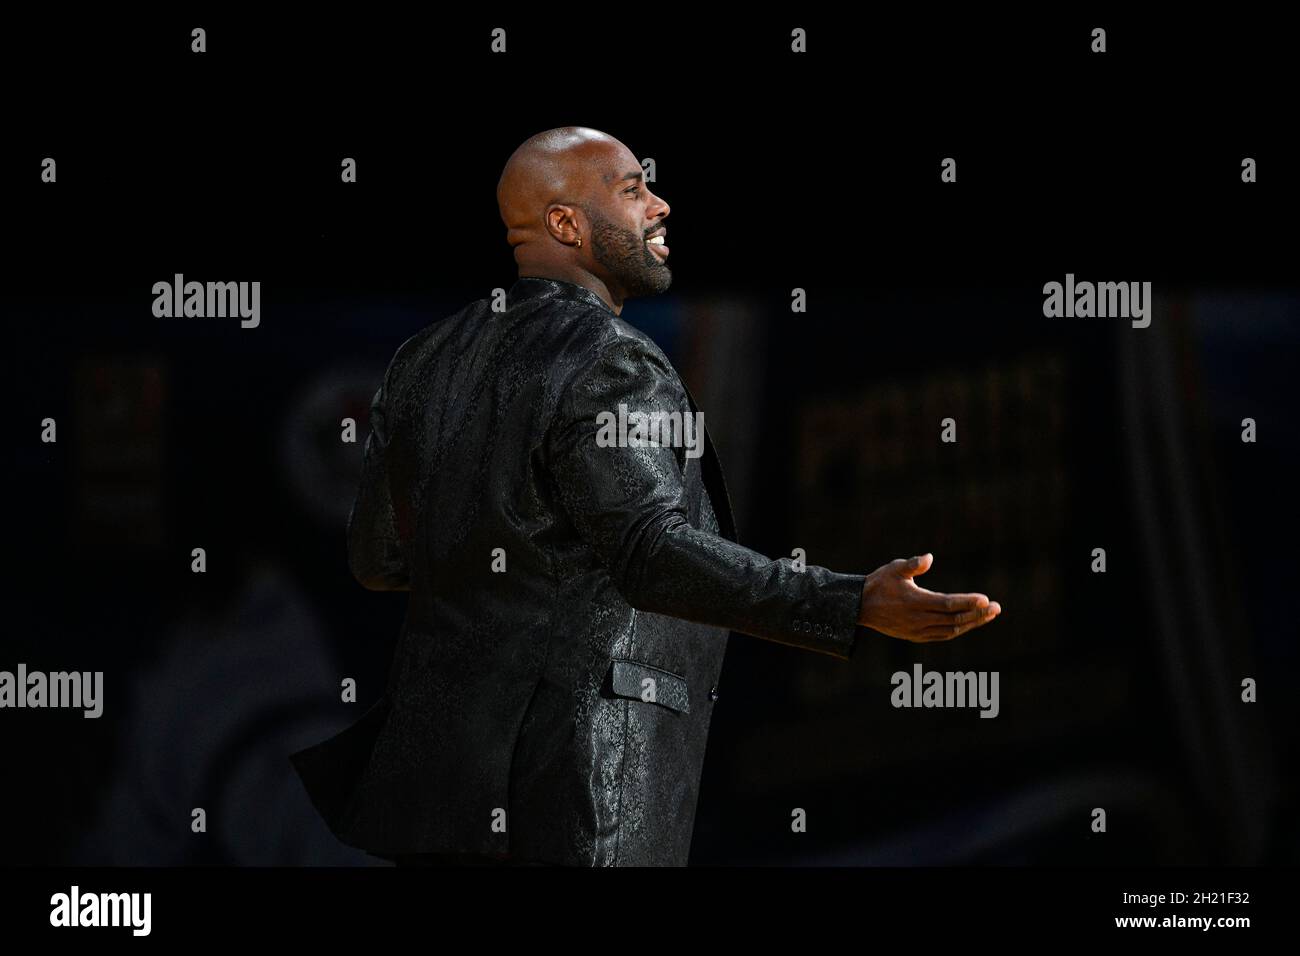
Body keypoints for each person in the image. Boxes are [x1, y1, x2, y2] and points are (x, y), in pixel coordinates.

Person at [289, 126, 1001, 867]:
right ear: (566, 224)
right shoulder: (610, 357)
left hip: (435, 793)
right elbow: (649, 552)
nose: (659, 205)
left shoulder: (422, 359)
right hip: (579, 786)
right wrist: (847, 600)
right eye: (632, 190)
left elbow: (376, 559)